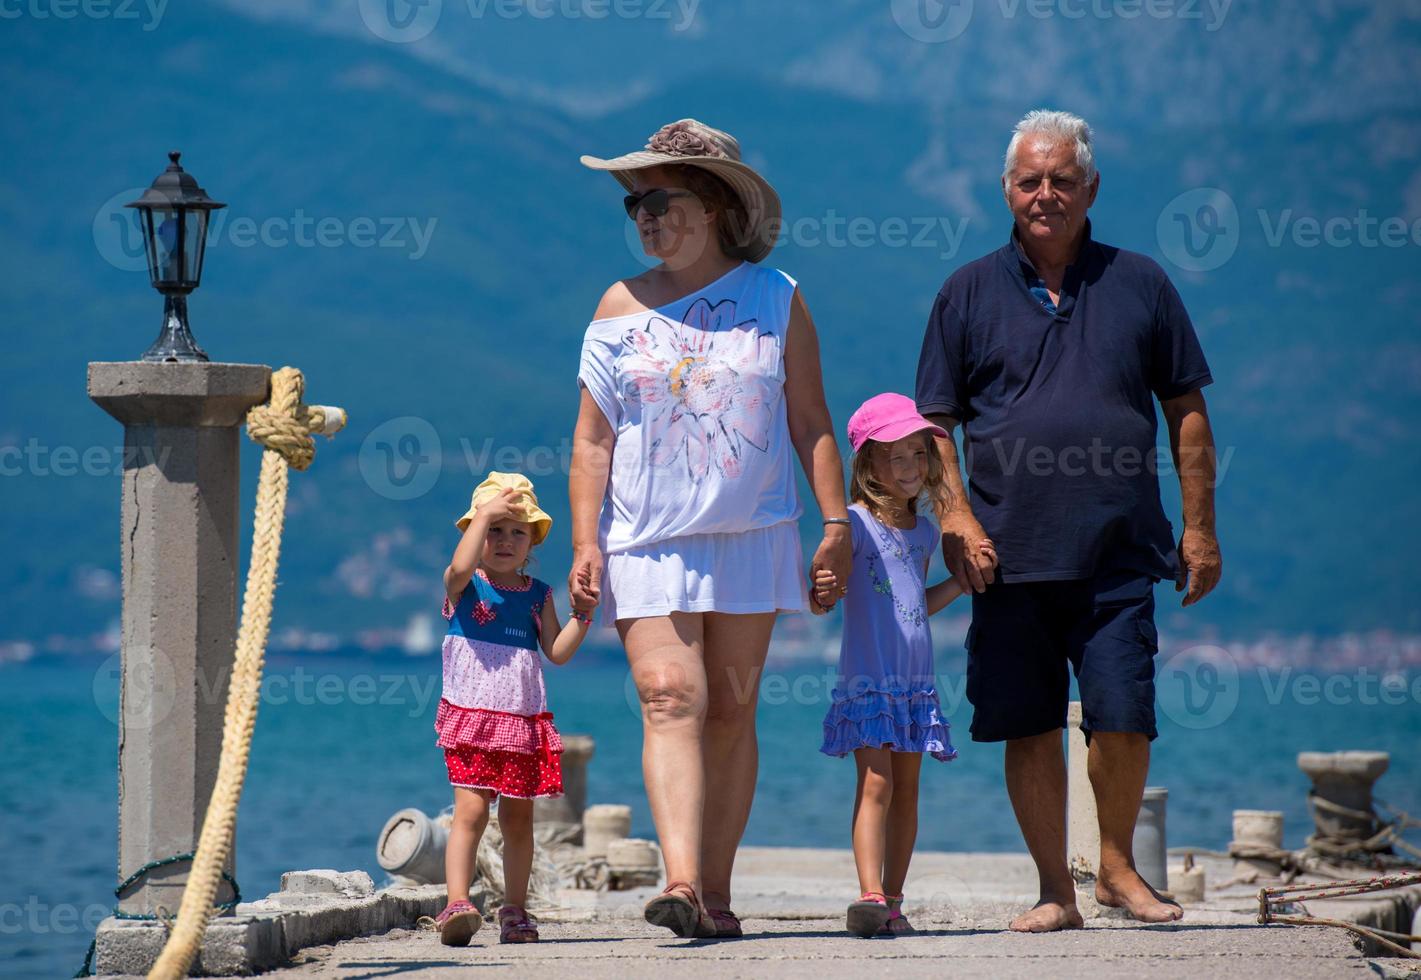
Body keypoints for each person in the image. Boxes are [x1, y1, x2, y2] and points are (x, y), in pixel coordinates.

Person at [915, 109, 1222, 932]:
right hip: (1005, 553)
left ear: (1090, 187)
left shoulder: (1141, 282)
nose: (1043, 194)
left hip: (1120, 546)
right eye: (1028, 180)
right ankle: (1056, 889)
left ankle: (1117, 870)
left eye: (1060, 179)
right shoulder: (966, 291)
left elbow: (1185, 410)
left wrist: (1199, 529)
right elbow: (933, 423)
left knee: (1123, 715)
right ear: (1006, 190)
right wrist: (954, 516)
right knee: (1028, 723)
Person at [570, 119, 853, 938]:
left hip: (752, 534)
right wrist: (586, 540)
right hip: (645, 538)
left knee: (730, 710)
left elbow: (811, 421)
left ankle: (717, 895)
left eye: (662, 199)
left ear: (718, 204)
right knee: (669, 696)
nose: (645, 217)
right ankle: (682, 881)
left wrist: (834, 523)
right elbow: (591, 440)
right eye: (635, 206)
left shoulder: (778, 298)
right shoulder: (615, 309)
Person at [815, 393, 995, 937]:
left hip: (916, 685)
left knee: (909, 790)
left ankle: (893, 901)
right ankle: (869, 891)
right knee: (876, 784)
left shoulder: (923, 532)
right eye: (897, 456)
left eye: (919, 455)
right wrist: (821, 589)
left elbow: (915, 597)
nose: (911, 467)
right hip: (870, 680)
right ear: (867, 462)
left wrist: (959, 585)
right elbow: (825, 595)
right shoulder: (852, 526)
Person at [431, 472, 596, 946]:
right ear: (475, 536)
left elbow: (557, 652)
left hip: (521, 722)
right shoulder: (465, 587)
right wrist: (483, 514)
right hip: (471, 717)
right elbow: (456, 570)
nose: (504, 541)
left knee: (519, 819)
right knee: (470, 812)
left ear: (532, 542)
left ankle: (515, 910)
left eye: (516, 532)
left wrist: (582, 615)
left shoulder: (538, 595)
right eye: (494, 531)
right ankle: (457, 904)